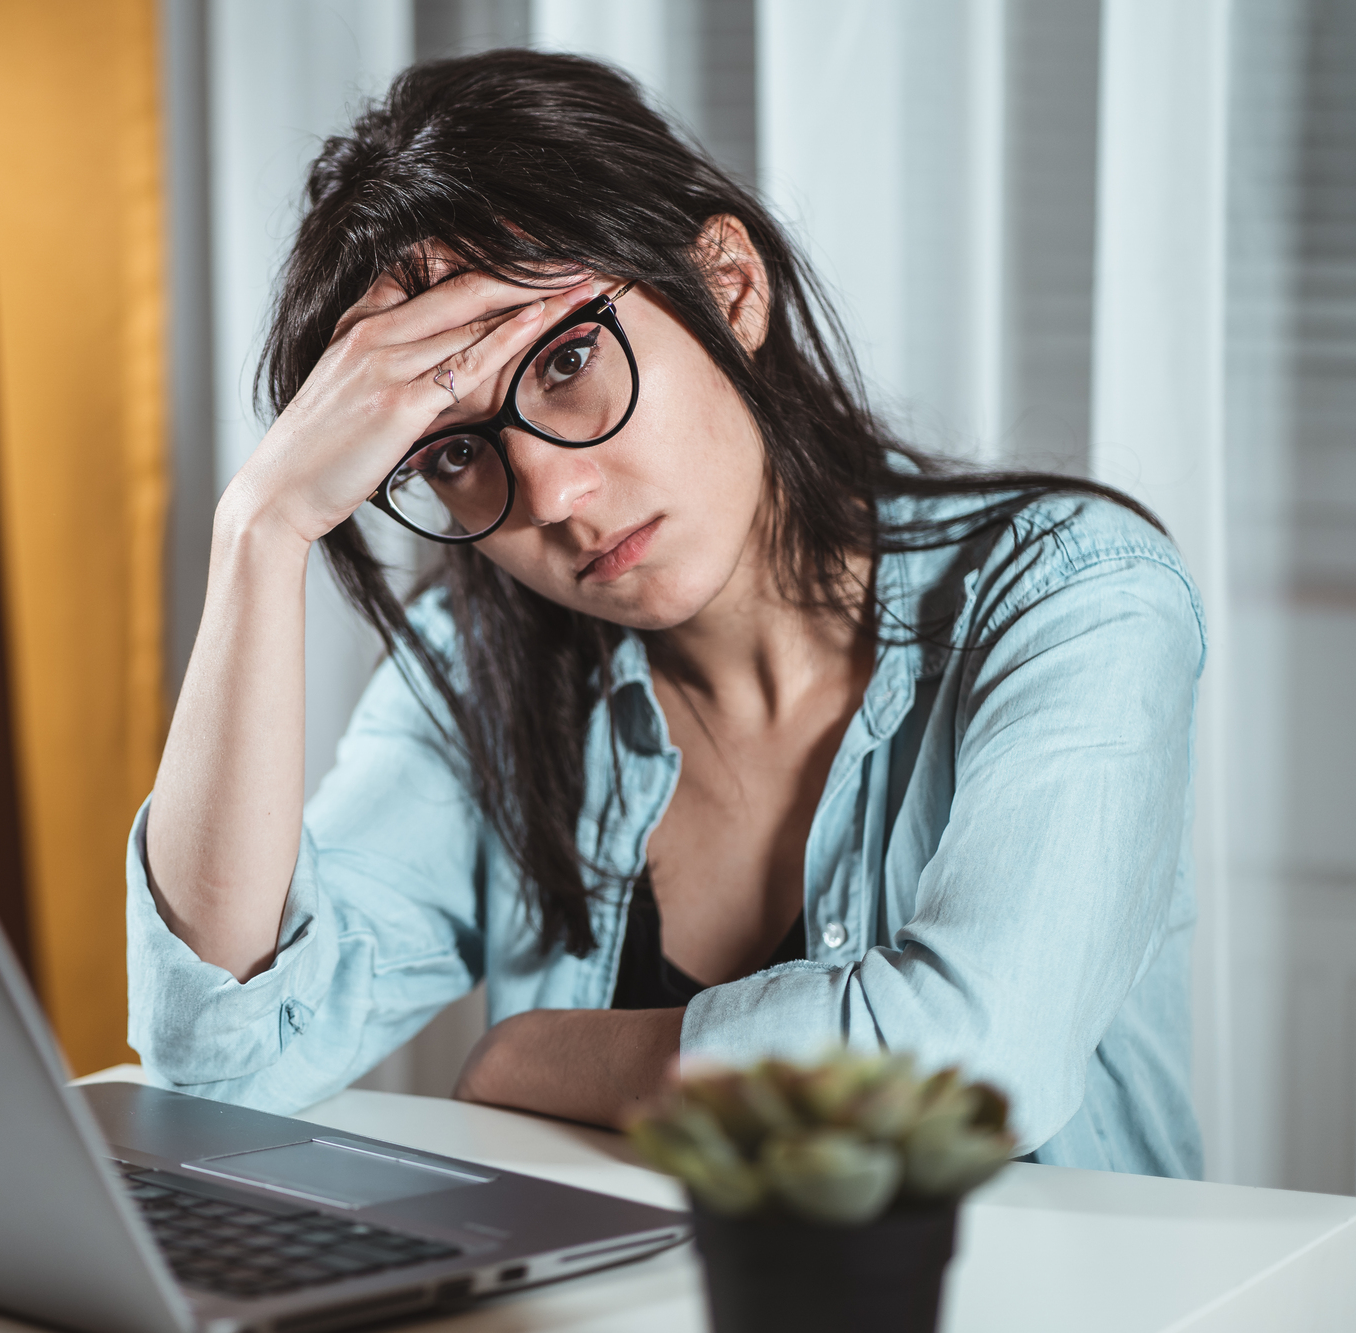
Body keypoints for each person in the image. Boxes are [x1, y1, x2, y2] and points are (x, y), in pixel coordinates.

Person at [127, 49, 1202, 1178]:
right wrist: (260, 531)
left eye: (567, 361)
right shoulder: (476, 668)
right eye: (451, 451)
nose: (547, 493)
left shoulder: (1072, 596)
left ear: (727, 286)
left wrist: (536, 1055)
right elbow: (222, 1065)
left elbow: (979, 1067)